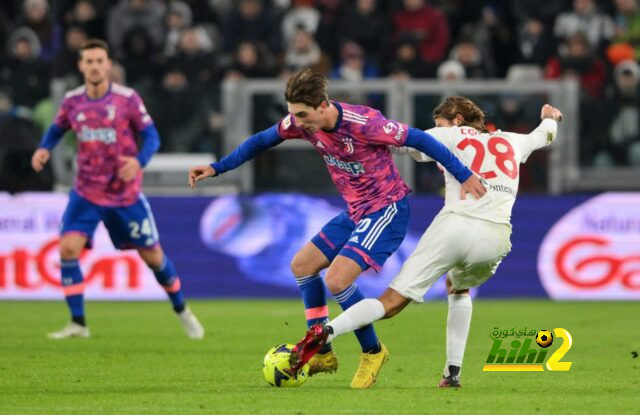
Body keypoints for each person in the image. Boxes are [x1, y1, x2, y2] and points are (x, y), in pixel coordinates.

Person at [188, 69, 486, 388]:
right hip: (356, 212)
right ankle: (324, 350)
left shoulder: (364, 124)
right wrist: (218, 167)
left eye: (302, 114)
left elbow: (419, 138)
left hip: (386, 210)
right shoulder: (302, 123)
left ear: (323, 105)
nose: (297, 122)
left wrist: (462, 173)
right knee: (302, 265)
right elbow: (261, 141)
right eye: (293, 114)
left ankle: (373, 351)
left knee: (337, 278)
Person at [289, 96, 563, 387]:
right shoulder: (512, 142)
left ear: (457, 119)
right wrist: (549, 116)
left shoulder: (448, 134)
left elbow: (399, 141)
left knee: (391, 302)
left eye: (440, 123)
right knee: (459, 288)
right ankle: (452, 373)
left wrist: (351, 138)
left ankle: (326, 332)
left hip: (454, 226)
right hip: (495, 236)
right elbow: (543, 135)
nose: (437, 128)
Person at [31, 39, 204, 340]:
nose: (95, 66)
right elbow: (58, 127)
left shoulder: (127, 99)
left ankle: (183, 311)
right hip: (85, 191)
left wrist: (139, 161)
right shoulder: (72, 101)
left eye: (100, 61)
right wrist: (44, 148)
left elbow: (151, 137)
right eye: (89, 61)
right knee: (67, 249)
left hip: (123, 194)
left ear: (108, 65)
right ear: (81, 65)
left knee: (153, 258)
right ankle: (78, 323)